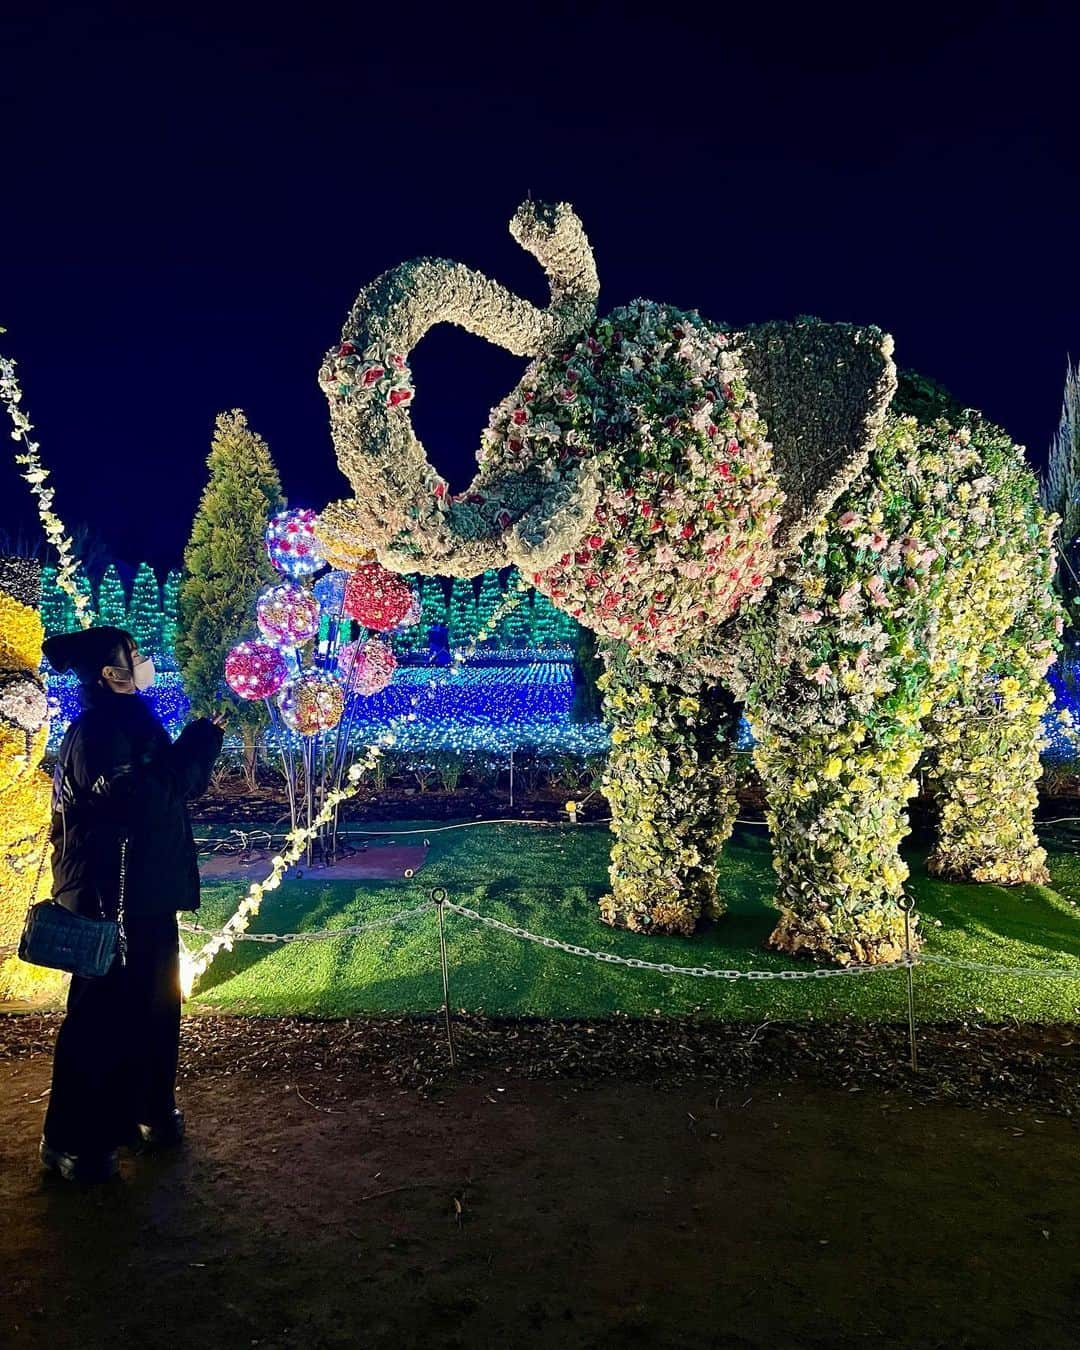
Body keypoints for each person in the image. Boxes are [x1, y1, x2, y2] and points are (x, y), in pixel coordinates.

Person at [37, 625, 225, 1182]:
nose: (143, 664)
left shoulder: (131, 721)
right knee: (99, 1018)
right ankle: (74, 1140)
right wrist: (195, 748)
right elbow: (142, 800)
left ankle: (149, 1110)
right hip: (104, 899)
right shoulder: (96, 733)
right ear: (107, 675)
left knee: (155, 1006)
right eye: (134, 658)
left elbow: (161, 791)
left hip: (144, 895)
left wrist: (191, 749)